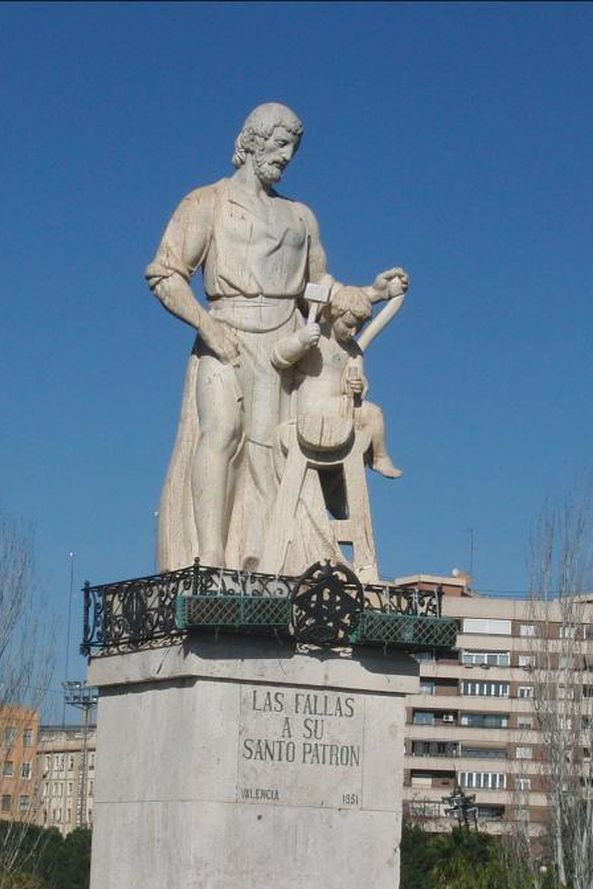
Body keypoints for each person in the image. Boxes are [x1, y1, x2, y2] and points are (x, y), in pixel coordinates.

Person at [147, 102, 406, 572]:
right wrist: (207, 325)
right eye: (281, 144)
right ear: (253, 141)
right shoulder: (206, 202)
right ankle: (210, 558)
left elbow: (321, 289)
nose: (287, 157)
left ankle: (267, 561)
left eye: (293, 149)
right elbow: (165, 274)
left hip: (284, 346)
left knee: (271, 454)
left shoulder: (300, 217)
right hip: (225, 333)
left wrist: (373, 291)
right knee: (221, 432)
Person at [269, 281, 405, 478]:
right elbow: (279, 357)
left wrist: (357, 385)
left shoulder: (352, 350)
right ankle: (376, 458)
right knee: (370, 414)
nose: (353, 332)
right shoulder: (316, 335)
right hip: (311, 407)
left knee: (374, 414)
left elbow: (358, 378)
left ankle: (379, 458)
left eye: (358, 327)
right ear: (335, 316)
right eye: (348, 325)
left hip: (339, 406)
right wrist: (301, 341)